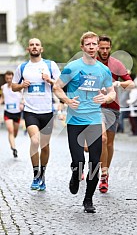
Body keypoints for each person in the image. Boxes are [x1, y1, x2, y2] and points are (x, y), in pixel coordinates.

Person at [53, 31, 116, 213]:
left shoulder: (103, 70)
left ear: (97, 46)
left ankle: (88, 199)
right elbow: (57, 87)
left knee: (95, 163)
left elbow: (112, 92)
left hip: (94, 120)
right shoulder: (72, 67)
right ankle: (75, 175)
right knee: (78, 161)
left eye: (94, 44)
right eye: (88, 45)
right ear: (82, 47)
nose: (91, 48)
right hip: (75, 121)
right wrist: (67, 100)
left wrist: (105, 98)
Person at [12, 38, 61, 191]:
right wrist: (21, 85)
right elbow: (14, 86)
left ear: (42, 48)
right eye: (32, 45)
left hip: (47, 111)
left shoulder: (50, 65)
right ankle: (35, 174)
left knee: (45, 147)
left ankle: (43, 175)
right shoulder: (22, 67)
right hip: (30, 111)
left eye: (37, 45)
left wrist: (50, 80)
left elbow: (61, 84)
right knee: (34, 141)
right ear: (28, 49)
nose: (34, 47)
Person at [97, 35, 135, 193]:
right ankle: (101, 171)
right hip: (96, 107)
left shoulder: (116, 64)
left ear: (110, 48)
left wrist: (119, 83)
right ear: (97, 47)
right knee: (103, 139)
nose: (104, 51)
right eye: (102, 48)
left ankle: (104, 176)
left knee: (110, 143)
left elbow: (131, 83)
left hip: (113, 107)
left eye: (107, 48)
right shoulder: (92, 63)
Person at [0, 70, 23, 158]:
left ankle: (12, 140)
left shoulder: (18, 87)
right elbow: (2, 98)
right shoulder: (3, 87)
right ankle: (13, 148)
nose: (9, 80)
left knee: (15, 132)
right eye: (7, 78)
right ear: (5, 78)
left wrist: (22, 103)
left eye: (10, 78)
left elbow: (23, 97)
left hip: (17, 112)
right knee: (10, 130)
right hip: (8, 112)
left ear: (13, 78)